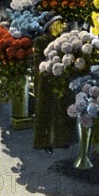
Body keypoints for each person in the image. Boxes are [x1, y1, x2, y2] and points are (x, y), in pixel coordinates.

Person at [33, 12, 75, 153]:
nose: (62, 27)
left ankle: (61, 140)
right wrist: (49, 67)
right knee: (47, 111)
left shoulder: (63, 40)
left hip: (60, 79)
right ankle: (45, 143)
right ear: (50, 26)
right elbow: (38, 62)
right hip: (46, 81)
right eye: (58, 24)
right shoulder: (41, 40)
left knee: (61, 110)